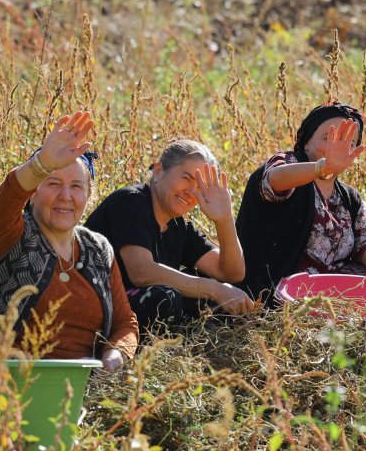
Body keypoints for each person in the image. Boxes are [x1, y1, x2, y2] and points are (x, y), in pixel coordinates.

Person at [0, 112, 137, 369]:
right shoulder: (11, 235)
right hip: (0, 386)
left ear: (88, 196)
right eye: (53, 183)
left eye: (76, 186)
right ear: (33, 194)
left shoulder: (98, 249)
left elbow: (125, 323)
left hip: (81, 390)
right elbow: (8, 196)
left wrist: (115, 356)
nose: (65, 195)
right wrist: (41, 164)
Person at [85, 138, 256, 334]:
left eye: (200, 186)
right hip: (95, 309)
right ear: (158, 171)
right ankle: (144, 356)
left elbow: (232, 273)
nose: (192, 191)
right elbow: (141, 272)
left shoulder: (177, 226)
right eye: (186, 178)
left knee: (231, 290)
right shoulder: (131, 202)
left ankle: (198, 350)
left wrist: (224, 218)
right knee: (166, 296)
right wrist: (215, 290)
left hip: (129, 311)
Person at [236, 102, 366, 303]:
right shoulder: (289, 164)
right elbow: (272, 181)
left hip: (330, 292)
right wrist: (322, 168)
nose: (337, 147)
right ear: (306, 141)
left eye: (349, 142)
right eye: (329, 138)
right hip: (280, 291)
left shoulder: (349, 197)